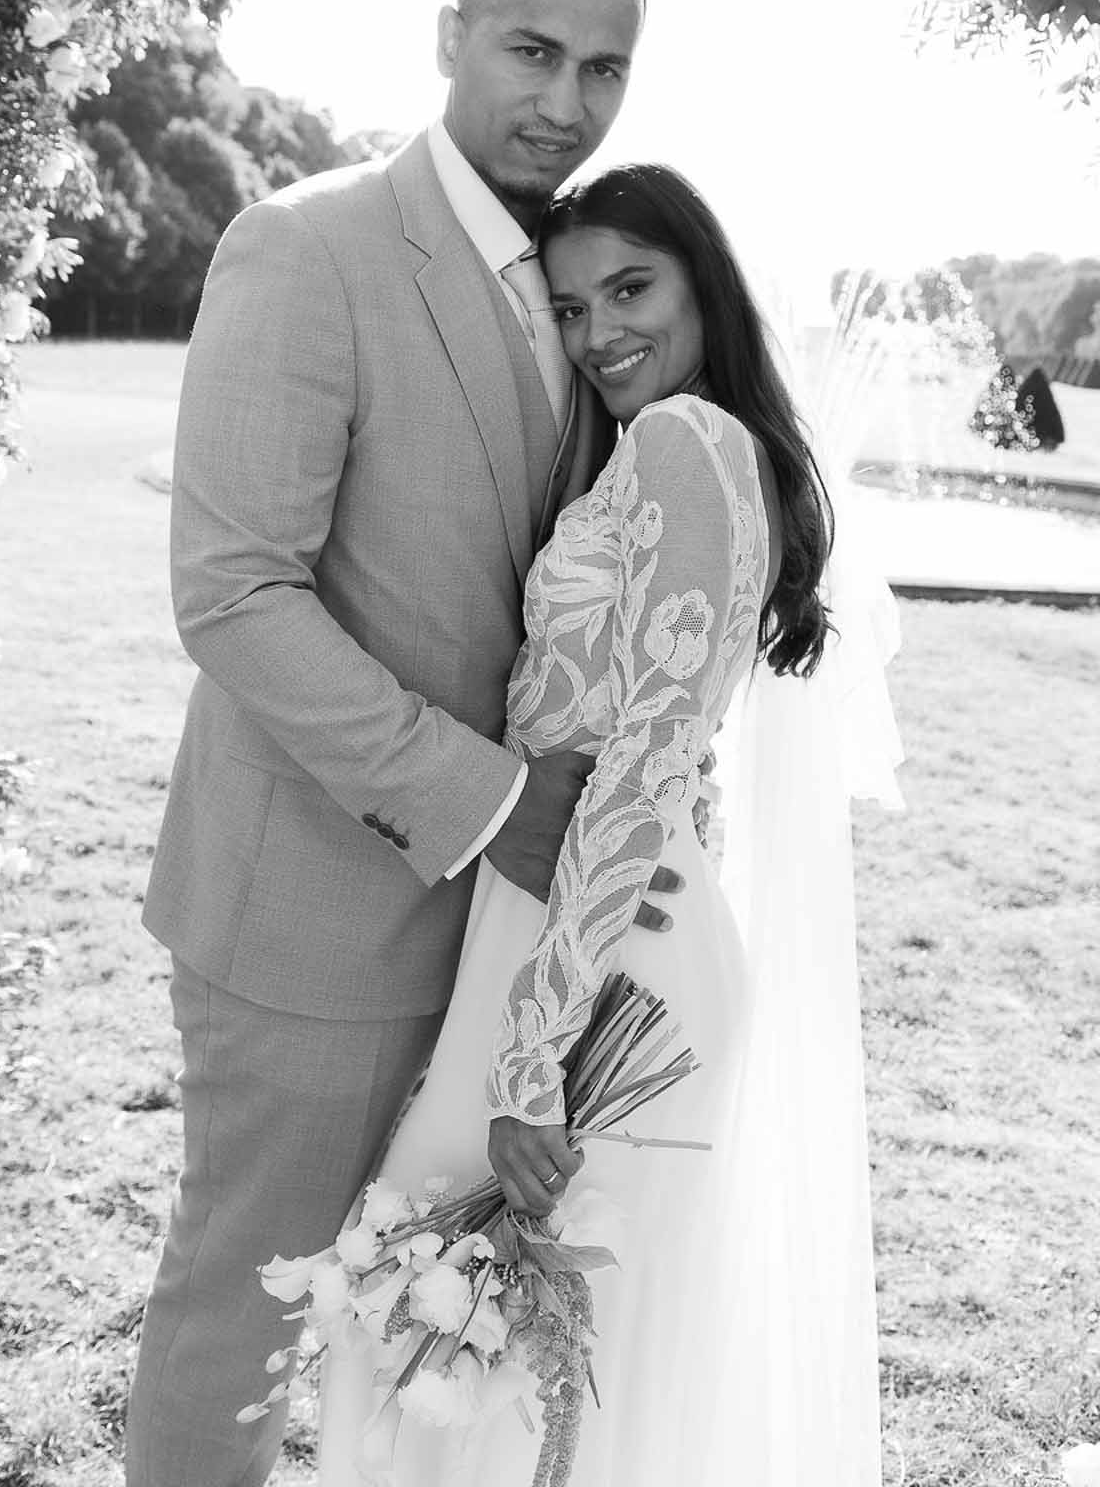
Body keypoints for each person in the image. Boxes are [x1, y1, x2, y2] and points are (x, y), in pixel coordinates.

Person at [126, 0, 688, 1487]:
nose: (565, 103)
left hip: (512, 952)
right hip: (314, 914)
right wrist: (497, 805)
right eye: (530, 51)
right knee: (249, 1320)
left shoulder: (583, 277)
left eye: (602, 68)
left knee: (439, 1334)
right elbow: (232, 592)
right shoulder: (309, 244)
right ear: (447, 36)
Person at [317, 164, 888, 1487]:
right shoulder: (672, 448)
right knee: (502, 1366)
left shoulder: (687, 442)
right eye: (570, 307)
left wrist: (530, 1063)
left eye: (629, 288)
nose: (597, 333)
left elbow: (644, 754)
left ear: (704, 287)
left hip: (600, 969)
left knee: (519, 1372)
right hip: (585, 924)